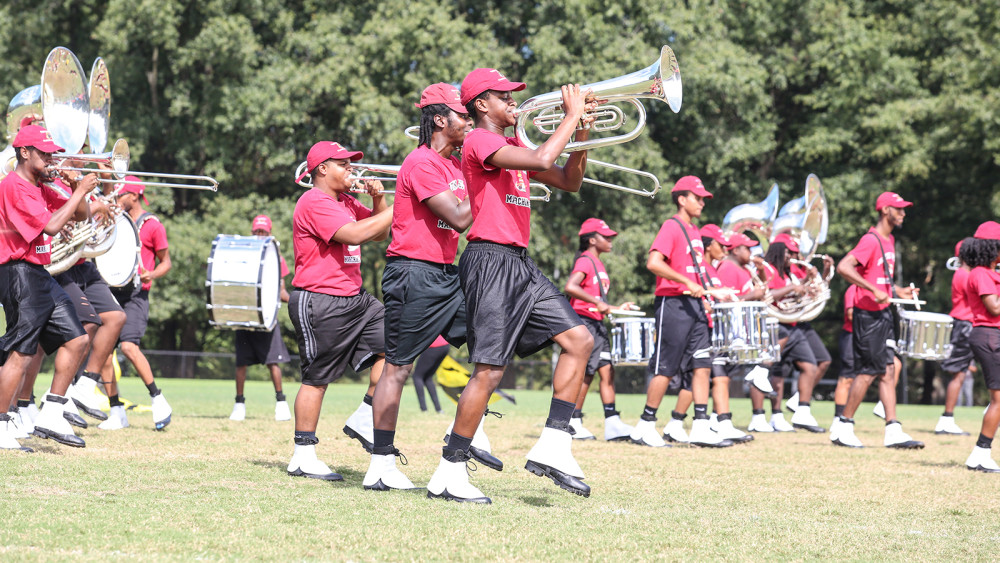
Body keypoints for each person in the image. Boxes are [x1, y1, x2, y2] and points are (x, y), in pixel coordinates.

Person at [426, 68, 597, 504]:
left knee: (580, 340)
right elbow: (543, 161)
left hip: (519, 262)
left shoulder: (513, 143)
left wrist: (580, 137)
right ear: (481, 104)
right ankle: (449, 471)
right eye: (504, 96)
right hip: (489, 261)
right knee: (489, 370)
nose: (513, 102)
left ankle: (555, 445)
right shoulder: (482, 141)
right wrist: (571, 114)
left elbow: (568, 181)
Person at [368, 83, 479, 491]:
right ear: (439, 119)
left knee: (490, 343)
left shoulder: (455, 167)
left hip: (447, 272)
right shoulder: (420, 162)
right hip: (413, 272)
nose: (469, 121)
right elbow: (461, 218)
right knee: (398, 368)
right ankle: (380, 464)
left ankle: (470, 433)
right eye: (462, 115)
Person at [285, 141, 391, 481]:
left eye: (351, 164)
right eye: (344, 164)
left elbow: (378, 234)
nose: (351, 170)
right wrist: (408, 198)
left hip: (355, 298)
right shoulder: (314, 201)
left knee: (398, 346)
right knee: (317, 381)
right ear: (322, 169)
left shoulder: (344, 200)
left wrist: (379, 201)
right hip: (320, 300)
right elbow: (355, 235)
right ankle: (303, 455)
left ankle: (365, 415)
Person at [0, 125, 94, 450]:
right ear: (24, 153)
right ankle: (0, 425)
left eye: (52, 152)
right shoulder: (15, 186)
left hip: (39, 272)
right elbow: (53, 226)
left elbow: (81, 216)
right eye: (44, 152)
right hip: (18, 273)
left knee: (78, 338)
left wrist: (73, 188)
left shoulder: (40, 186)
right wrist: (80, 190)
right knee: (21, 353)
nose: (51, 157)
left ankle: (51, 413)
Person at [630, 176, 731, 448]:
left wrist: (710, 293)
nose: (701, 202)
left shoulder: (696, 232)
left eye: (703, 199)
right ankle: (646, 424)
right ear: (681, 198)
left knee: (701, 364)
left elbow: (696, 272)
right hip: (673, 304)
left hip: (695, 306)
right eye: (697, 197)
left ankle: (699, 425)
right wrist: (686, 282)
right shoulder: (671, 226)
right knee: (666, 367)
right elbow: (654, 262)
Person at [833, 191, 922, 449]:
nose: (903, 213)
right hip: (868, 315)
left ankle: (893, 429)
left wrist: (898, 291)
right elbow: (844, 267)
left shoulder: (889, 240)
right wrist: (872, 290)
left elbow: (881, 280)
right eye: (899, 209)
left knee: (888, 370)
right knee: (869, 371)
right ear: (885, 210)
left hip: (882, 313)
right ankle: (844, 425)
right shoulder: (871, 240)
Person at [100, 178, 173, 431]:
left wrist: (152, 274)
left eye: (122, 195)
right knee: (103, 353)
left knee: (129, 347)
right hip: (112, 291)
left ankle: (158, 398)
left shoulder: (152, 225)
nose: (118, 199)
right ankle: (116, 410)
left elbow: (166, 262)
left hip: (136, 294)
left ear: (135, 196)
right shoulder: (115, 220)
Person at [659, 223, 737, 447]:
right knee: (693, 375)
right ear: (709, 245)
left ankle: (677, 423)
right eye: (722, 245)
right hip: (693, 323)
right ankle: (663, 421)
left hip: (707, 325)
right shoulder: (699, 266)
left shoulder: (712, 269)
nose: (725, 250)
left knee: (697, 375)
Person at [562, 218, 634, 442]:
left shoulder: (598, 263)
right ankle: (573, 421)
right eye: (606, 236)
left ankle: (612, 423)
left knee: (607, 371)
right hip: (585, 323)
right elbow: (570, 287)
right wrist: (597, 302)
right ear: (592, 240)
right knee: (587, 374)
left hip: (596, 322)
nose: (611, 240)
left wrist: (615, 308)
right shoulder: (585, 261)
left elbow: (597, 302)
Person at [229, 214, 292, 422]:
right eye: (257, 232)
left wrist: (294, 301)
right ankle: (239, 404)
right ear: (251, 232)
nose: (259, 235)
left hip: (267, 318)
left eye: (263, 232)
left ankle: (281, 403)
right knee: (241, 363)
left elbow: (281, 290)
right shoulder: (242, 255)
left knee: (273, 362)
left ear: (270, 233)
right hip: (246, 315)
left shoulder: (277, 258)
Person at [750, 236, 816, 432]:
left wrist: (807, 281)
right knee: (763, 370)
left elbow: (794, 292)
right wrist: (791, 287)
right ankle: (758, 416)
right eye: (787, 252)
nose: (791, 256)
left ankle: (794, 412)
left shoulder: (786, 273)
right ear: (778, 251)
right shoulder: (768, 269)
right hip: (773, 325)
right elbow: (766, 293)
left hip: (790, 324)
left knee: (809, 365)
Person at [962, 222, 1000, 472]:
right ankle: (980, 453)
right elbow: (994, 307)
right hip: (988, 336)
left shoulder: (989, 272)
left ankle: (980, 453)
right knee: (998, 399)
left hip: (991, 335)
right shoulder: (980, 274)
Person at [936, 238, 975, 435]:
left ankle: (947, 419)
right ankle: (946, 420)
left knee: (960, 374)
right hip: (965, 325)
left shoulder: (964, 273)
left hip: (967, 324)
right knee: (958, 373)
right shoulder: (964, 275)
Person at [828, 285, 857, 439]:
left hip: (867, 337)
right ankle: (838, 418)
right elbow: (851, 314)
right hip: (851, 336)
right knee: (847, 378)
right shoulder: (853, 289)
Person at [412, 336, 448, 413]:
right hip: (445, 345)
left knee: (417, 376)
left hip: (434, 345)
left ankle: (424, 409)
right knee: (428, 377)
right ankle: (438, 409)